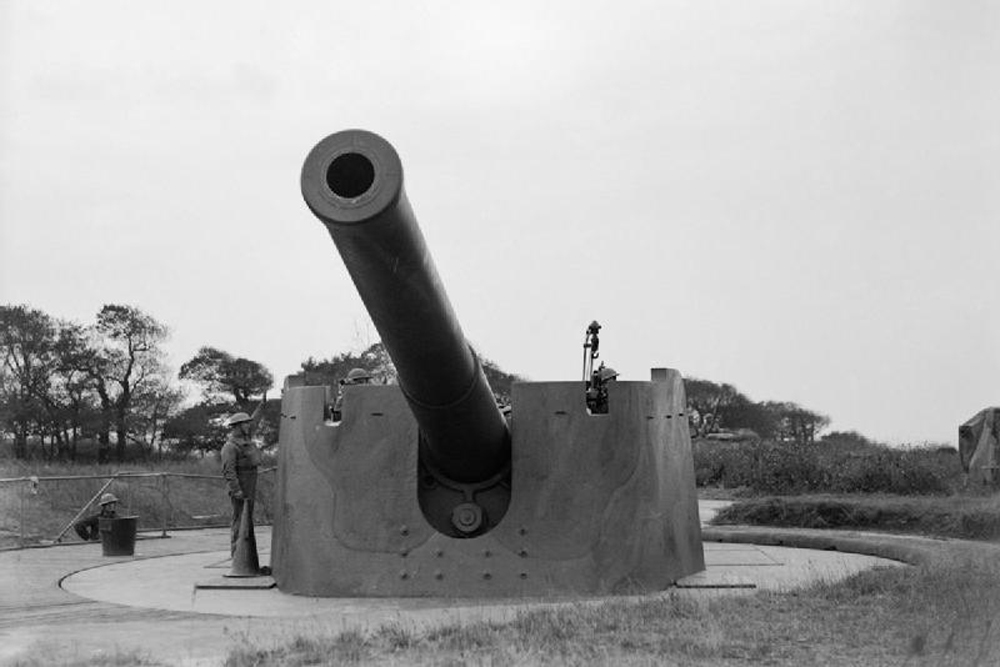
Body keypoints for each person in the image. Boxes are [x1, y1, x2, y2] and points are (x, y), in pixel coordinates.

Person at [221, 397, 265, 557]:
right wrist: (236, 490)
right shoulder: (230, 446)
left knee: (247, 520)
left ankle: (245, 554)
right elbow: (229, 471)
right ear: (238, 427)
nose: (248, 426)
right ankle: (237, 555)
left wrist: (262, 405)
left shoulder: (245, 439)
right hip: (241, 485)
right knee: (240, 520)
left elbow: (255, 422)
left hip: (250, 482)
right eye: (245, 424)